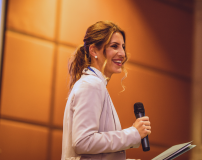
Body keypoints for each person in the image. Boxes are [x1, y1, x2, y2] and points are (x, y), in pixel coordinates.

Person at [62, 21, 151, 160]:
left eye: (123, 47)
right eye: (114, 46)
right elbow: (83, 142)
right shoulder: (91, 84)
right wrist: (133, 134)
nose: (122, 53)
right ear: (93, 50)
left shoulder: (96, 84)